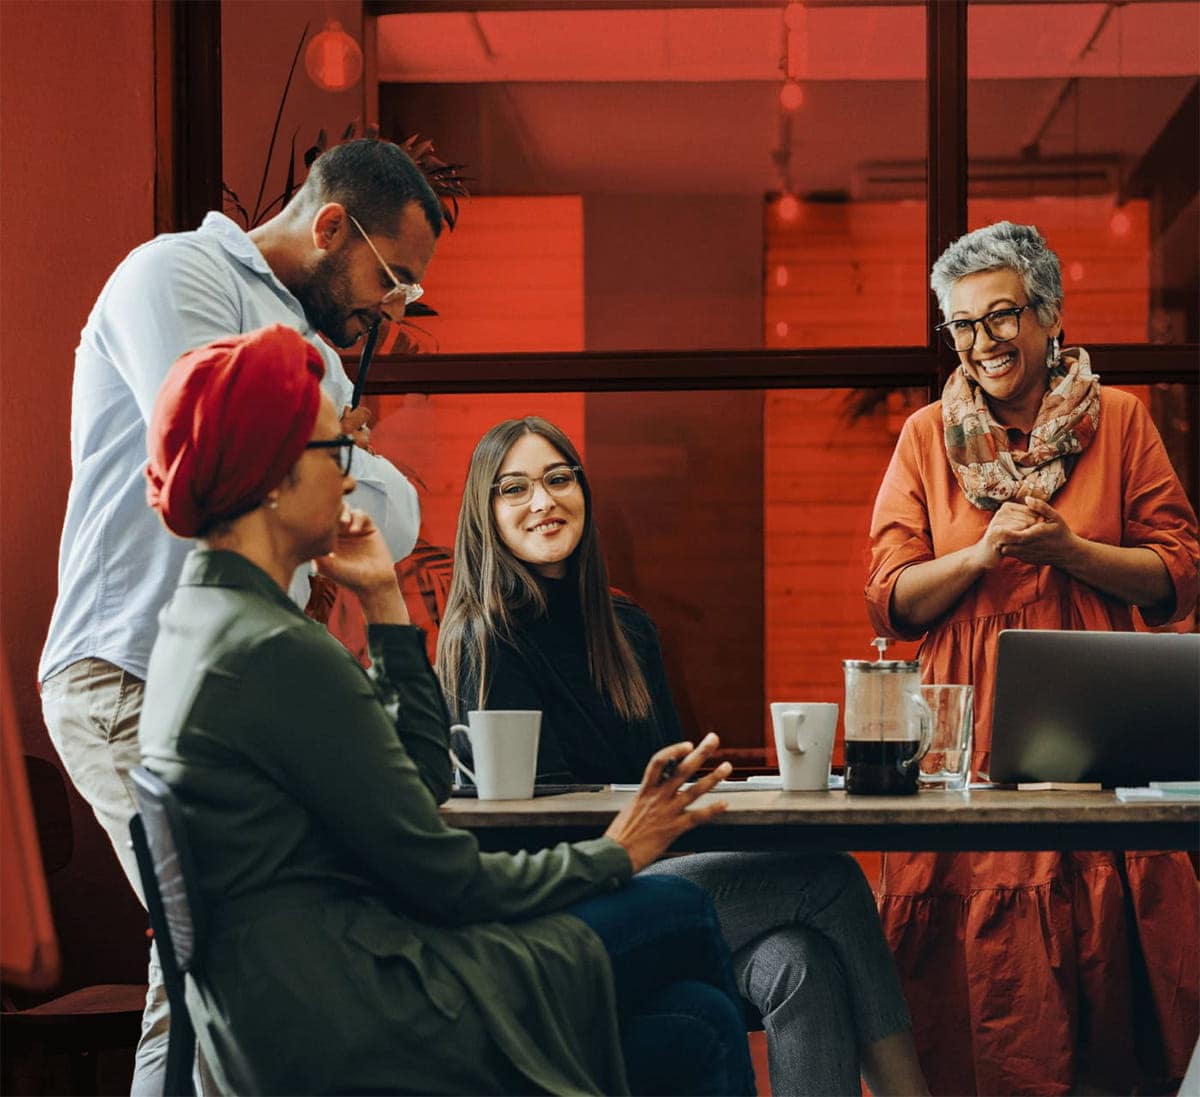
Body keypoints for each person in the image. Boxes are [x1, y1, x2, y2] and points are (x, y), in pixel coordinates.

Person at [136, 323, 756, 1096]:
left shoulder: (204, 627)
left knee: (694, 1023)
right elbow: (445, 877)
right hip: (365, 1010)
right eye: (336, 454)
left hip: (284, 1017)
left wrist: (385, 600)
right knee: (683, 907)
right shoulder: (273, 652)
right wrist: (617, 853)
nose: (350, 480)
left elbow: (421, 782)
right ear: (271, 475)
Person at [36, 139, 438, 1091]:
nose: (395, 306)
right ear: (330, 224)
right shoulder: (174, 274)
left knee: (201, 959)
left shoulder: (314, 362)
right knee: (225, 935)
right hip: (128, 672)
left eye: (410, 294)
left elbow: (401, 514)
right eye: (394, 278)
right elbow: (233, 454)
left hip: (232, 697)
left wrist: (338, 464)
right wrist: (334, 462)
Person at [437, 416, 930, 1097]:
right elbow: (532, 828)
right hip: (566, 903)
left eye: (557, 478)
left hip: (658, 879)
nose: (543, 501)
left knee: (802, 959)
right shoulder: (484, 636)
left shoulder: (626, 628)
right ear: (484, 514)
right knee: (832, 880)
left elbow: (669, 788)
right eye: (513, 488)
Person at [865, 221, 1199, 1094]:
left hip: (1098, 712)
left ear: (1048, 315)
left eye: (1001, 316)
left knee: (1111, 941)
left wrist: (1070, 550)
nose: (982, 343)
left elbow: (1178, 575)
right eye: (963, 325)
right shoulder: (925, 436)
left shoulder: (1120, 420)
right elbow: (889, 597)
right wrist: (980, 557)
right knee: (972, 957)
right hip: (962, 730)